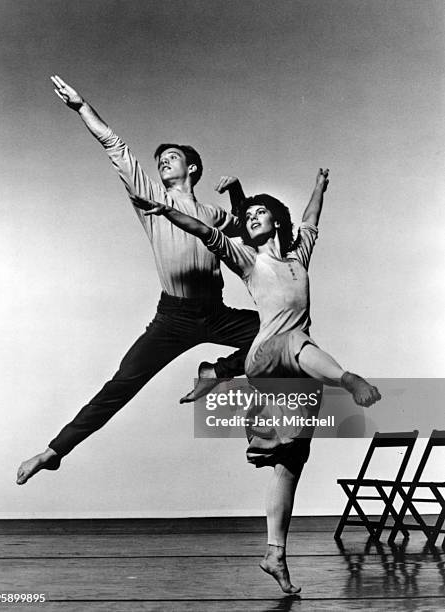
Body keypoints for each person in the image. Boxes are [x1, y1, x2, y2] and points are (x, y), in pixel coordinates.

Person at [130, 168, 381, 594]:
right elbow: (204, 230)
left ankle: (275, 554)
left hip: (300, 371)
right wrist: (169, 211)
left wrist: (319, 187)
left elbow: (311, 220)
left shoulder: (298, 257)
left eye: (259, 212)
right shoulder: (248, 260)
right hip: (268, 353)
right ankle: (349, 378)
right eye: (247, 216)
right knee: (296, 336)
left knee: (290, 464)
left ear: (276, 220)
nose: (251, 218)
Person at [16, 75, 260, 485]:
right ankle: (54, 451)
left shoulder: (214, 213)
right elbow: (116, 146)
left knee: (280, 333)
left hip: (216, 314)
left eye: (172, 156)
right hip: (174, 317)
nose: (163, 160)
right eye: (160, 158)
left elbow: (249, 228)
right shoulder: (151, 199)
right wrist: (82, 107)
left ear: (192, 167)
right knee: (122, 385)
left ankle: (217, 372)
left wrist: (237, 191)